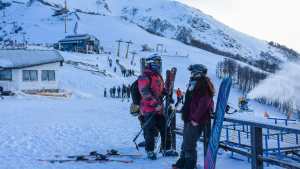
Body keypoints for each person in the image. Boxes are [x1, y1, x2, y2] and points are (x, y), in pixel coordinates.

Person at [173, 64, 215, 169]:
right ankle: (183, 161)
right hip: (189, 117)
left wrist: (195, 118)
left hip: (196, 120)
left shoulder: (203, 84)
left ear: (198, 73)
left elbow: (204, 103)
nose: (191, 74)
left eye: (193, 72)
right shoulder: (194, 83)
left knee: (190, 143)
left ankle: (190, 164)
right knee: (186, 141)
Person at [138, 54, 169, 160]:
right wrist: (155, 104)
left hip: (158, 108)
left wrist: (165, 92)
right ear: (151, 63)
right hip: (148, 108)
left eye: (159, 62)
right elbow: (145, 93)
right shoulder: (144, 76)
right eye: (157, 62)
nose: (159, 65)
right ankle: (150, 151)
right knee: (150, 130)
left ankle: (165, 149)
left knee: (164, 126)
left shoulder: (157, 75)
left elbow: (159, 88)